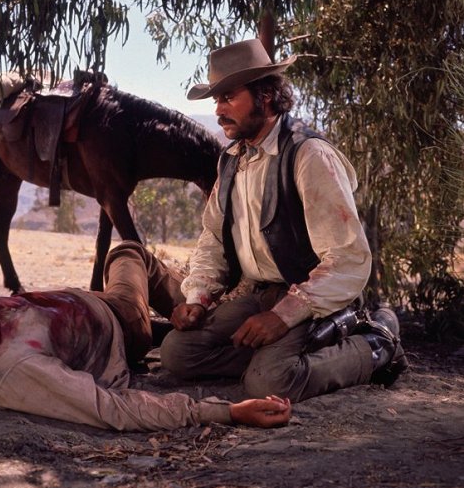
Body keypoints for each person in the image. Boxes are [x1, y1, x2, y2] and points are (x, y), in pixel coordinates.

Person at [160, 38, 408, 401]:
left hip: (312, 297)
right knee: (177, 354)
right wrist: (198, 298)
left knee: (270, 383)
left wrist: (284, 316)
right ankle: (277, 357)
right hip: (262, 294)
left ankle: (377, 345)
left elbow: (348, 259)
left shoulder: (309, 156)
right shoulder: (231, 159)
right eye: (217, 100)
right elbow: (213, 237)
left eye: (229, 97)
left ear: (264, 96)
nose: (218, 110)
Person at [0, 241, 291, 432]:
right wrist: (226, 413)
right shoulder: (16, 369)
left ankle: (196, 310)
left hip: (94, 305)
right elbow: (113, 408)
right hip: (121, 321)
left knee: (184, 318)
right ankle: (215, 306)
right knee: (127, 252)